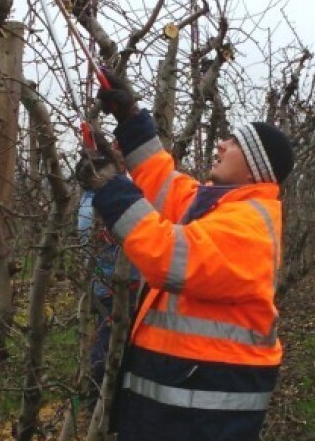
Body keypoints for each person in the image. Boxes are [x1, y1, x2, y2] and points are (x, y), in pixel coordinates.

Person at [76, 72, 294, 441]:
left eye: (234, 143)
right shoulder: (218, 206)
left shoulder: (250, 226)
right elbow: (163, 182)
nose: (221, 144)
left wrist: (111, 187)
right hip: (183, 396)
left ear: (255, 168)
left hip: (204, 410)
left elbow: (169, 256)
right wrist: (130, 119)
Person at [75, 161, 141, 404]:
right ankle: (98, 400)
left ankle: (100, 397)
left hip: (104, 285)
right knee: (109, 344)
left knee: (109, 339)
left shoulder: (88, 202)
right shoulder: (98, 207)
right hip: (116, 287)